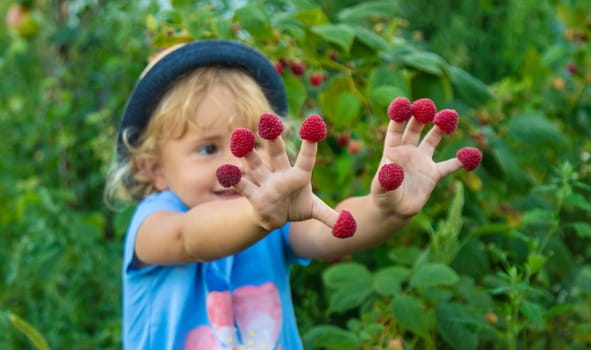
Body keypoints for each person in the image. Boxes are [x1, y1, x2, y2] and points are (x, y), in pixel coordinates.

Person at [105, 39, 467, 350]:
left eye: (253, 144)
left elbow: (330, 230)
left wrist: (385, 208)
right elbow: (190, 238)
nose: (239, 164)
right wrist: (259, 215)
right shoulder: (153, 222)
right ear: (154, 170)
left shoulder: (275, 220)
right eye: (208, 149)